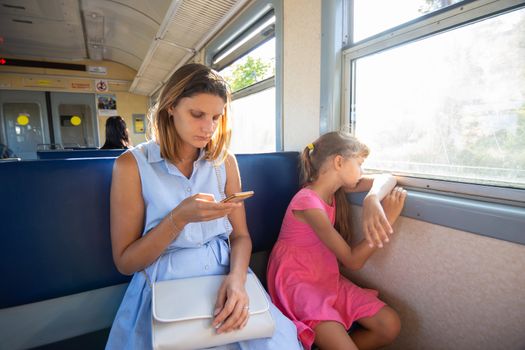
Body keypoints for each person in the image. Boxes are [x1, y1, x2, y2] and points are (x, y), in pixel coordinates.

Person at [105, 63, 302, 349]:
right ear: (170, 107)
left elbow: (241, 236)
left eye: (216, 117)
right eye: (197, 114)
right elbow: (126, 262)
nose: (209, 128)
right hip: (164, 281)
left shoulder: (224, 162)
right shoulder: (131, 165)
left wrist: (237, 281)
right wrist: (179, 218)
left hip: (226, 272)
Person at [267, 131, 407, 350]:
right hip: (299, 282)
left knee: (389, 325)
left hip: (325, 275)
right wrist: (387, 218)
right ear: (339, 162)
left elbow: (387, 178)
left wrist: (372, 198)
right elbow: (353, 261)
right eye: (359, 163)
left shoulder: (338, 189)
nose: (362, 171)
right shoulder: (307, 202)